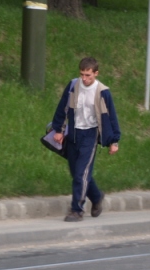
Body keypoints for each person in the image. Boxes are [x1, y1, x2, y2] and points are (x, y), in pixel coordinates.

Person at [51, 57, 121, 222]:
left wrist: (114, 140)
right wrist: (59, 130)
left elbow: (112, 117)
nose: (84, 78)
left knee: (82, 173)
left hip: (90, 135)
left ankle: (77, 210)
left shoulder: (103, 92)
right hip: (74, 132)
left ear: (96, 73)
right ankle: (96, 196)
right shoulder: (73, 85)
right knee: (77, 172)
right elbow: (63, 107)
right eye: (82, 74)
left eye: (88, 75)